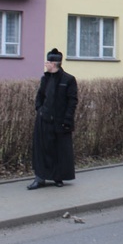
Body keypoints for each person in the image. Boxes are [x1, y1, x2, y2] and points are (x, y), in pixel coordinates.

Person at [28, 49, 78, 190]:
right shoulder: (45, 79)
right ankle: (40, 178)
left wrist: (67, 119)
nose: (45, 64)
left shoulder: (68, 80)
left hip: (60, 121)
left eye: (48, 62)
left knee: (59, 150)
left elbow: (72, 101)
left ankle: (58, 177)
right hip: (44, 120)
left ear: (54, 63)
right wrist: (40, 110)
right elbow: (40, 97)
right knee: (42, 150)